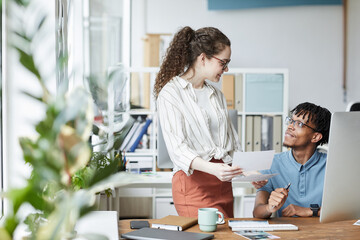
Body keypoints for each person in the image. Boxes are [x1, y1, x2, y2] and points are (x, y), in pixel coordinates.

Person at [154, 26, 243, 218]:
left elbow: (231, 142)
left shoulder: (216, 94)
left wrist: (250, 173)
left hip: (222, 183)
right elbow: (178, 151)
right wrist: (214, 169)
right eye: (223, 62)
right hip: (193, 183)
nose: (226, 69)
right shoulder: (171, 94)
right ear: (203, 58)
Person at [253, 102, 332, 218]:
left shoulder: (331, 165)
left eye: (299, 124)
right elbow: (257, 212)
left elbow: (349, 210)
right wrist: (269, 207)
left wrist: (310, 211)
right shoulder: (271, 163)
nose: (290, 126)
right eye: (291, 121)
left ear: (315, 137)